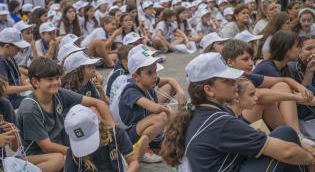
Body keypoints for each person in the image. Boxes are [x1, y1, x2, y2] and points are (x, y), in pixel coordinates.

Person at [162, 52, 315, 172]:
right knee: (288, 145)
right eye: (226, 80)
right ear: (209, 90)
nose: (233, 83)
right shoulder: (218, 120)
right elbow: (287, 152)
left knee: (285, 134)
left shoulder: (203, 111)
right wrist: (311, 159)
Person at [16, 57, 114, 156]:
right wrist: (77, 153)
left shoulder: (59, 93)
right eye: (49, 79)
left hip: (61, 141)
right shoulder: (30, 109)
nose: (55, 82)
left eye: (57, 78)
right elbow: (46, 147)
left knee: (92, 112)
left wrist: (114, 130)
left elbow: (98, 103)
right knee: (58, 159)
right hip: (37, 154)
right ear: (35, 82)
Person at [114, 51, 171, 163]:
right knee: (162, 116)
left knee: (172, 143)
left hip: (139, 130)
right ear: (136, 77)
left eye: (155, 71)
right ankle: (137, 150)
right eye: (149, 73)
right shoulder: (130, 90)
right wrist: (170, 113)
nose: (155, 76)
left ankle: (152, 145)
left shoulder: (149, 88)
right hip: (124, 137)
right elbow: (155, 108)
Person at [64, 105, 140, 172]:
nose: (88, 145)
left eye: (89, 139)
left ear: (99, 124)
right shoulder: (74, 151)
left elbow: (133, 162)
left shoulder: (115, 134)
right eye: (82, 142)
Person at [0, 28, 32, 109]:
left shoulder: (10, 57)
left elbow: (20, 81)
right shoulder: (1, 62)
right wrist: (31, 87)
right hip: (7, 102)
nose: (20, 49)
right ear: (7, 46)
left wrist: (33, 86)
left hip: (16, 97)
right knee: (36, 101)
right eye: (18, 48)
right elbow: (5, 90)